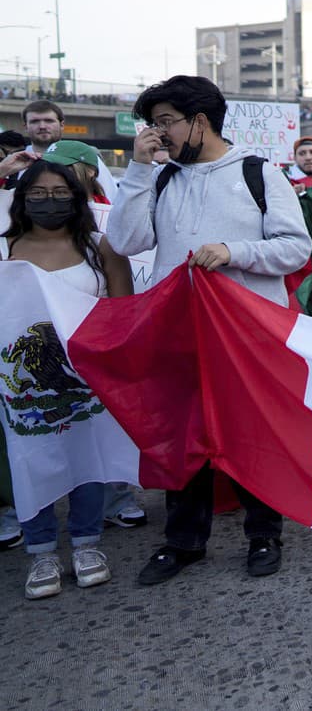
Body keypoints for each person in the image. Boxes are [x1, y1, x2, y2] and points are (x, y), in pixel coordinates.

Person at [107, 75, 311, 585]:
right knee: (182, 436)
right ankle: (183, 541)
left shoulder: (257, 172)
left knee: (251, 433)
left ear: (200, 121)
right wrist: (137, 168)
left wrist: (233, 251)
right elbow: (126, 240)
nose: (158, 134)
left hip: (245, 335)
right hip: (178, 333)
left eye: (166, 122)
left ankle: (264, 535)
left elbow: (296, 247)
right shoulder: (158, 177)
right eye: (151, 124)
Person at [3, 159, 133, 598]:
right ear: (21, 200)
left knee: (88, 458)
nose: (49, 201)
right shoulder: (4, 250)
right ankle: (40, 550)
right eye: (37, 194)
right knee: (29, 458)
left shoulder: (102, 248)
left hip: (85, 377)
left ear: (77, 199)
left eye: (60, 193)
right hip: (19, 382)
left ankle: (86, 543)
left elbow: (122, 311)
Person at [40, 140, 148, 527]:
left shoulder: (107, 217)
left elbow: (122, 282)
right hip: (43, 338)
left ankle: (115, 495)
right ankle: (38, 510)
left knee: (103, 417)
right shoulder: (24, 215)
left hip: (92, 334)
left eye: (63, 168)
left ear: (87, 171)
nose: (55, 176)